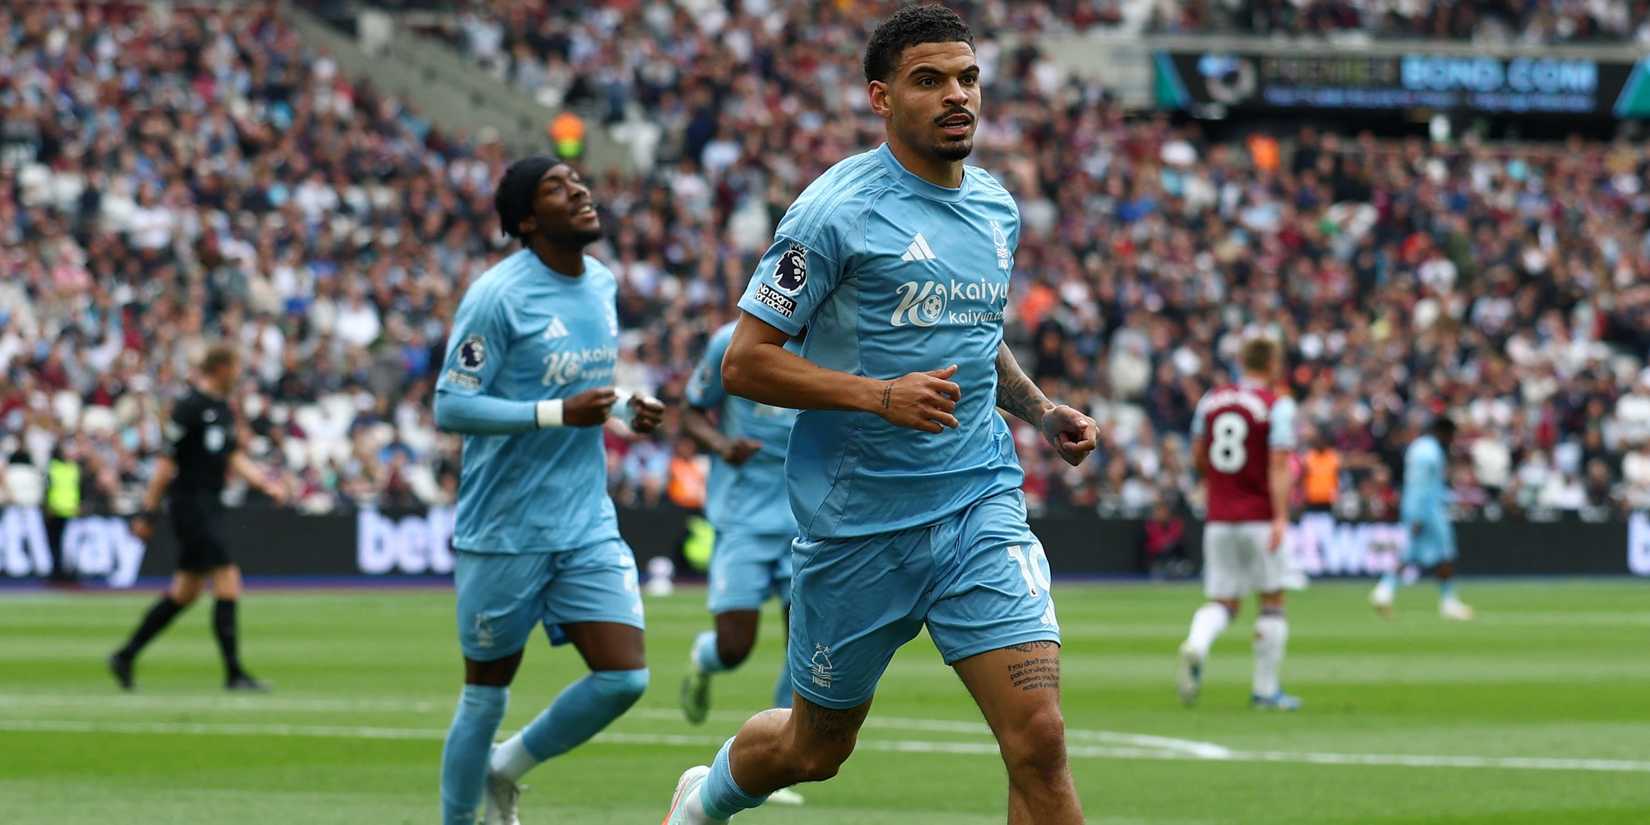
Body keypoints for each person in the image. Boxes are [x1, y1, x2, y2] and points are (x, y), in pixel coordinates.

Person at [661, 6, 1099, 824]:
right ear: (881, 97)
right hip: (859, 525)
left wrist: (1039, 410)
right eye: (928, 80)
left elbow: (977, 334)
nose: (956, 95)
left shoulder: (997, 208)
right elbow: (744, 361)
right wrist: (878, 396)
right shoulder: (832, 212)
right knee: (815, 748)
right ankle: (702, 798)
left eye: (966, 77)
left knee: (1038, 739)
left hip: (979, 502)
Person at [432, 156, 666, 825]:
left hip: (584, 517)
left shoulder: (601, 283)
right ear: (529, 220)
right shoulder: (497, 296)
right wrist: (556, 413)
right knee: (485, 695)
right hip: (504, 529)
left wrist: (623, 406)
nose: (582, 190)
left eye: (579, 180)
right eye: (558, 189)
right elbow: (451, 406)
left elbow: (575, 386)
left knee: (624, 676)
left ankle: (505, 768)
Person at [109, 343, 289, 692]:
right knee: (228, 578)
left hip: (211, 504)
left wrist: (267, 485)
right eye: (235, 368)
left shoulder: (222, 408)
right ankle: (234, 674)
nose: (238, 375)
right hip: (189, 505)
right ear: (221, 368)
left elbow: (233, 457)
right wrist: (148, 512)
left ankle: (125, 655)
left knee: (185, 592)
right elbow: (165, 465)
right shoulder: (189, 408)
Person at [676, 321, 805, 800]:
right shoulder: (727, 342)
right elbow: (689, 412)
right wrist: (722, 446)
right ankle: (704, 659)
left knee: (804, 640)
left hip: (805, 512)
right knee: (735, 646)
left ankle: (781, 755)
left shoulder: (832, 338)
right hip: (743, 515)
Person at [1176, 337, 1300, 710]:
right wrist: (1280, 516)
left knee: (1224, 602)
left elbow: (1197, 453)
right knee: (1272, 601)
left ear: (1243, 361)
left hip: (1219, 517)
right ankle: (1265, 691)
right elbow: (1279, 464)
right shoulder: (1275, 405)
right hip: (1259, 517)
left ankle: (1197, 643)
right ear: (1273, 363)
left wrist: (1216, 484)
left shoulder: (1212, 400)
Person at [1372, 418, 1473, 620]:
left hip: (1419, 506)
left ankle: (1385, 589)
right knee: (1445, 553)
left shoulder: (1418, 447)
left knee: (1412, 552)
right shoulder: (1429, 452)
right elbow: (1422, 486)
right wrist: (1418, 515)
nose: (1451, 441)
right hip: (1427, 510)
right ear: (1443, 433)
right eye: (1451, 436)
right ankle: (1448, 601)